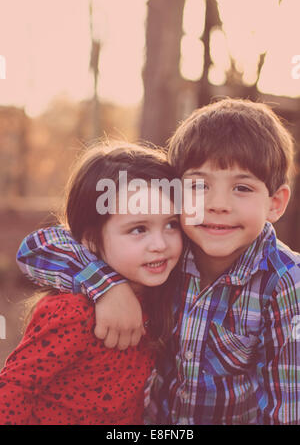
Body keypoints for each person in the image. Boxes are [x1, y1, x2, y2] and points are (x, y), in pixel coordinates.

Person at [16, 98, 300, 425]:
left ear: (275, 203)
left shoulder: (284, 283)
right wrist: (109, 288)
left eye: (242, 187)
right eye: (198, 186)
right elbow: (37, 248)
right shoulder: (171, 251)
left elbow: (287, 411)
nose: (218, 204)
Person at [0, 142, 183, 425]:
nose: (160, 244)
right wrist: (109, 287)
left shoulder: (163, 293)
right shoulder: (72, 313)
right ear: (90, 238)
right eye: (138, 229)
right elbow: (12, 392)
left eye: (172, 224)